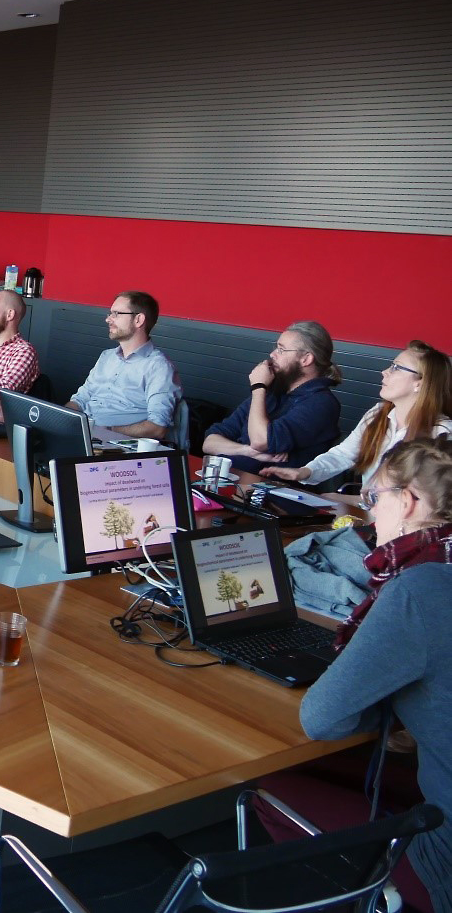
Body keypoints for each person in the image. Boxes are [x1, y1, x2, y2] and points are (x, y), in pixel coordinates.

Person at [276, 437, 452, 913]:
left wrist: (375, 693)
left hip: (446, 857)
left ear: (410, 502)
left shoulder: (421, 587)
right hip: (433, 775)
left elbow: (324, 719)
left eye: (375, 499)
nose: (371, 514)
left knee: (272, 787)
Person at [264, 340, 452, 495]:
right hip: (371, 509)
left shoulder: (443, 433)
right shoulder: (378, 413)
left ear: (420, 383)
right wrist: (304, 472)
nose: (384, 372)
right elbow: (344, 454)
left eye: (396, 368)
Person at [200, 320, 343, 474]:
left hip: (271, 491)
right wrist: (246, 450)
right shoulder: (273, 393)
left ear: (306, 359)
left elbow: (261, 441)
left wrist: (258, 388)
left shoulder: (322, 403)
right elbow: (209, 442)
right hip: (231, 479)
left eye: (281, 350)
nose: (272, 354)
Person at [67, 290, 181, 441]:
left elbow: (157, 427)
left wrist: (108, 431)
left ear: (138, 320)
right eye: (110, 313)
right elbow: (81, 399)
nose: (108, 319)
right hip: (82, 433)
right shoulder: (106, 357)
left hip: (115, 444)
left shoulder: (159, 367)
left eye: (116, 314)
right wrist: (62, 419)